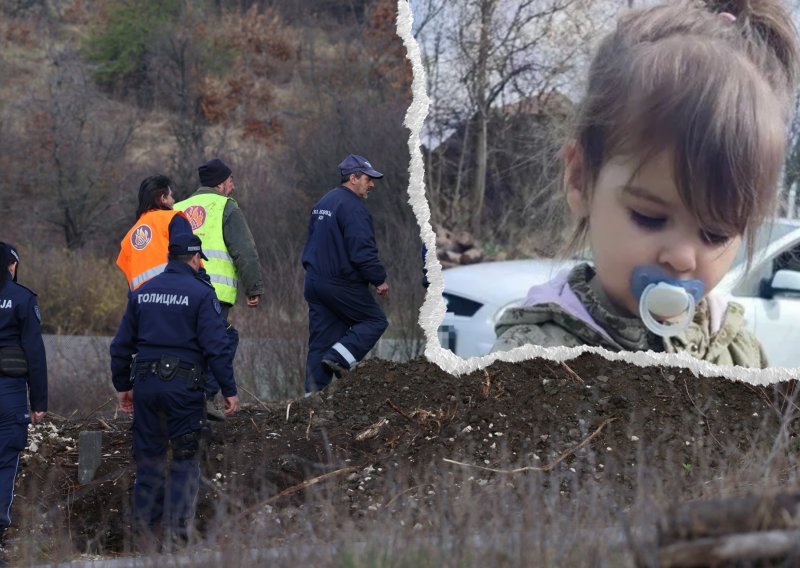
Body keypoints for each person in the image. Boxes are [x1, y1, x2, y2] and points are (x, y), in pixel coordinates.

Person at [492, 0, 799, 368]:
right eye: (650, 217)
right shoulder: (534, 358)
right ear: (580, 179)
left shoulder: (738, 355)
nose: (682, 257)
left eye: (715, 234)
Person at [109, 233, 239, 549]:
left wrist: (123, 386)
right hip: (184, 388)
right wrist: (228, 389)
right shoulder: (200, 293)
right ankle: (176, 536)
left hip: (147, 386)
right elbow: (217, 347)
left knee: (149, 460)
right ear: (195, 259)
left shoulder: (143, 292)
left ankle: (145, 539)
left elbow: (120, 346)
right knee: (184, 458)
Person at [301, 154, 389, 393]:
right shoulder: (353, 208)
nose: (372, 184)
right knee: (374, 321)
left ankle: (311, 398)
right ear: (353, 178)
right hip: (341, 283)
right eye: (368, 179)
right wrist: (378, 278)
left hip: (314, 282)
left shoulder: (323, 203)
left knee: (321, 341)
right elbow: (362, 250)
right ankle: (339, 359)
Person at [0, 243, 47, 563]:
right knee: (4, 463)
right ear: (11, 266)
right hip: (9, 392)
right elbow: (34, 353)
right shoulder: (21, 298)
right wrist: (39, 401)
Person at [174, 159, 264, 316]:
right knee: (213, 340)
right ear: (219, 184)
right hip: (215, 295)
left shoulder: (177, 208)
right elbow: (244, 250)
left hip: (179, 292)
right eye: (230, 181)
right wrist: (253, 287)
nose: (233, 187)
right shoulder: (226, 206)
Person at [116, 175, 193, 291]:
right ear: (163, 198)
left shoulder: (128, 239)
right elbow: (190, 261)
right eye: (171, 196)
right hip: (175, 296)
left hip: (143, 303)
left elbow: (130, 284)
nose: (174, 201)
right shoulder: (174, 219)